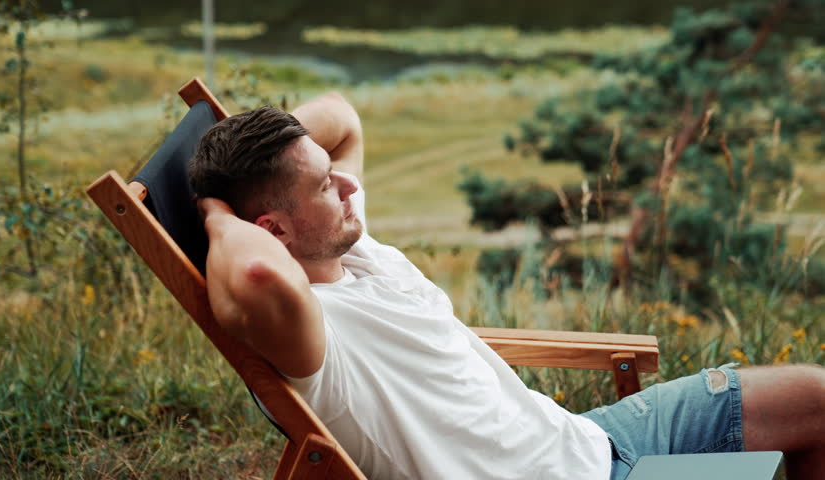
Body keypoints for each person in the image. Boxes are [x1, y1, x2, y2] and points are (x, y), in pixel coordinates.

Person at [187, 93, 825, 480]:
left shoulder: (350, 251)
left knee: (819, 397)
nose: (349, 185)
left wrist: (282, 158)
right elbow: (255, 271)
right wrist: (215, 207)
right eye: (326, 185)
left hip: (588, 438)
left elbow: (341, 118)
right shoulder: (313, 334)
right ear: (273, 229)